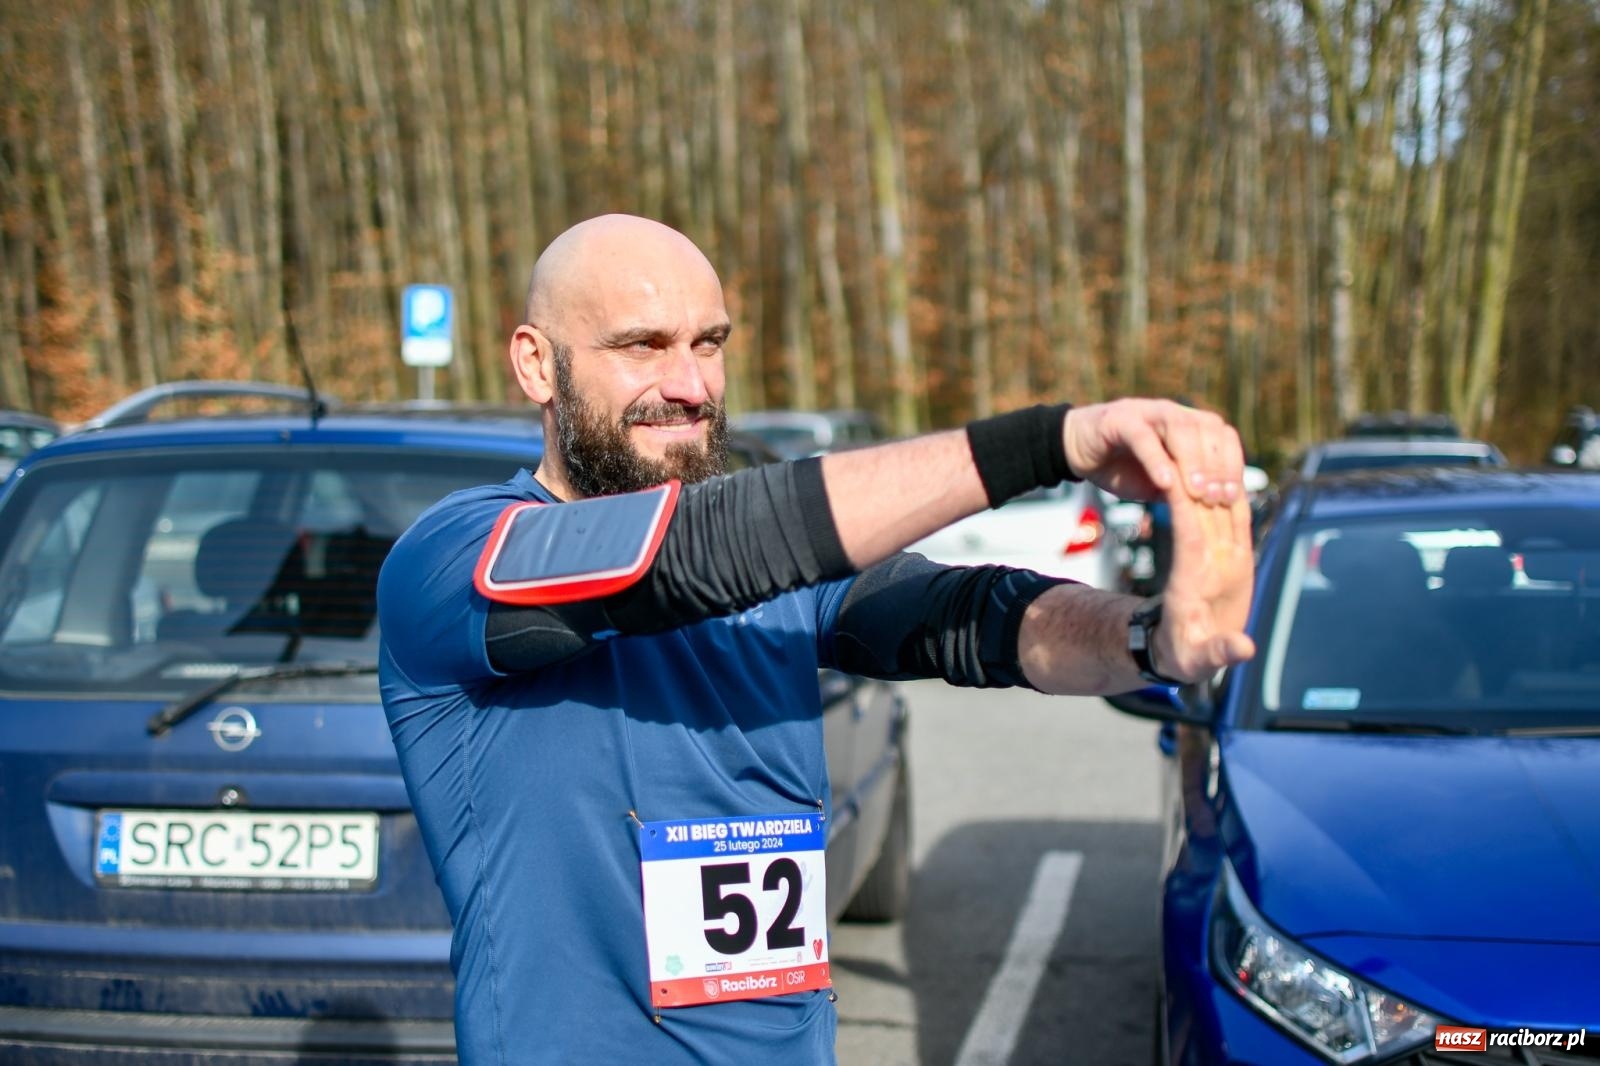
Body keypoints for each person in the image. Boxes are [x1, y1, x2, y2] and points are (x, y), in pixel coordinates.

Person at [376, 213, 1255, 1065]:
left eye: (709, 344)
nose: (689, 384)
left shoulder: (764, 574)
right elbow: (700, 550)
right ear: (537, 363)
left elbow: (979, 621)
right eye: (642, 345)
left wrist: (1151, 639)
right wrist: (1054, 441)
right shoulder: (460, 557)